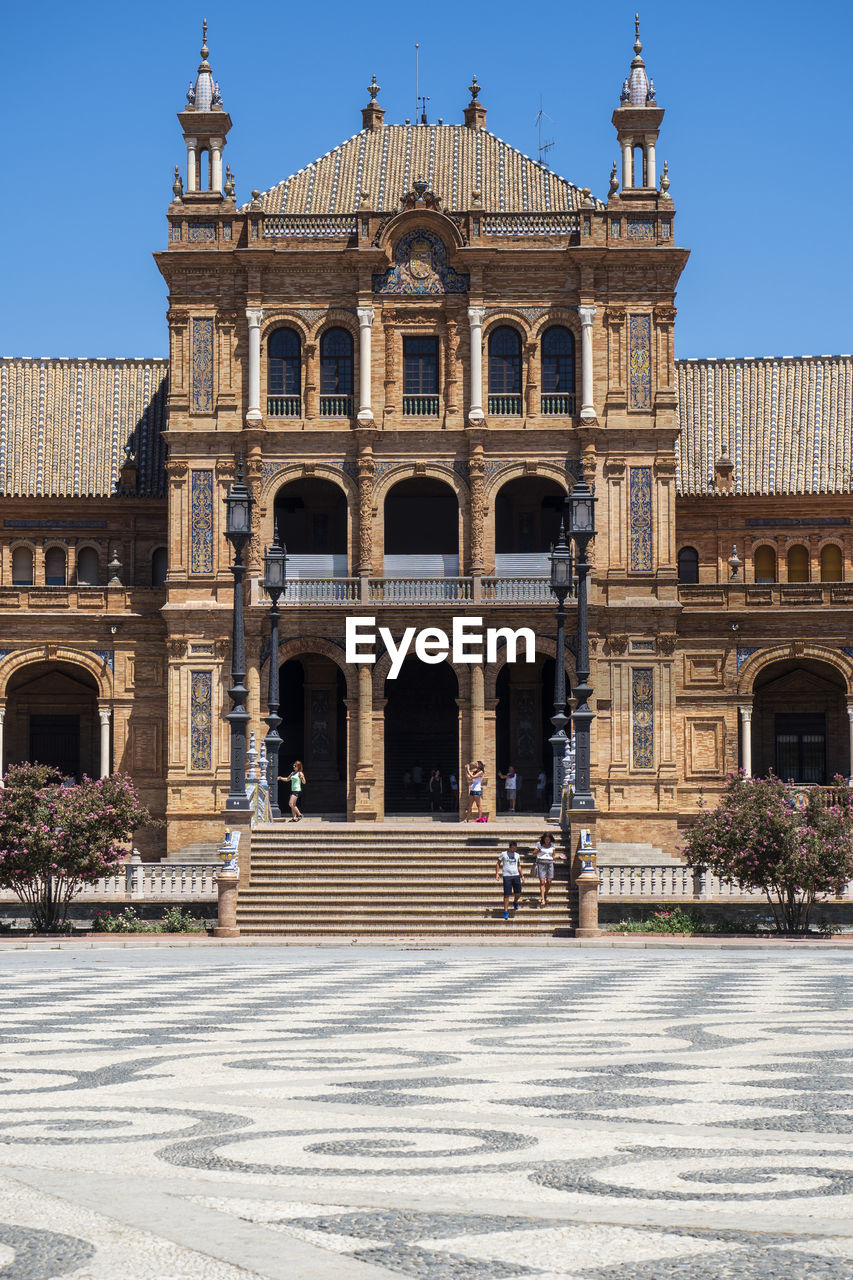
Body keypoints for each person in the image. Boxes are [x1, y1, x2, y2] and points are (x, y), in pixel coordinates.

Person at [533, 831, 566, 906]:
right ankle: (542, 899)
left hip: (550, 863)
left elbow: (553, 856)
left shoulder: (552, 846)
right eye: (546, 839)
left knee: (549, 881)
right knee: (542, 881)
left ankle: (545, 894)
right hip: (541, 862)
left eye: (548, 839)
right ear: (543, 839)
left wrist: (559, 857)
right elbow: (534, 854)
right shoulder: (539, 844)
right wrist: (538, 851)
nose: (547, 841)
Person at [496, 841, 525, 920]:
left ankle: (515, 901)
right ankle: (506, 911)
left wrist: (522, 875)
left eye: (515, 848)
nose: (513, 849)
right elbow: (498, 863)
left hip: (516, 875)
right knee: (506, 894)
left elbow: (519, 866)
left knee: (518, 892)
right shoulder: (504, 854)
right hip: (507, 876)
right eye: (512, 848)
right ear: (509, 847)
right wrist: (497, 873)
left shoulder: (517, 855)